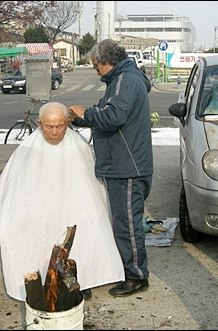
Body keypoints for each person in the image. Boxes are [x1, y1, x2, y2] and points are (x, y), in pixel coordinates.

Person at [0, 101, 124, 302]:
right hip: (38, 208)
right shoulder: (27, 149)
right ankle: (42, 275)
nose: (54, 132)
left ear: (68, 122)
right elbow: (6, 188)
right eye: (49, 126)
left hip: (75, 207)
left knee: (84, 229)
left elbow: (93, 187)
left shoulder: (79, 146)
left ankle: (83, 277)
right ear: (39, 123)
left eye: (59, 126)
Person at [68, 39, 154, 297]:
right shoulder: (122, 80)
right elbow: (108, 115)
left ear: (107, 61)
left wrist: (85, 113)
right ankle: (126, 269)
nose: (95, 71)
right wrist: (82, 120)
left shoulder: (125, 80)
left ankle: (138, 276)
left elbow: (113, 116)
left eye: (96, 66)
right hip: (123, 164)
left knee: (127, 224)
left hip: (127, 167)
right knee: (121, 222)